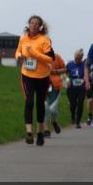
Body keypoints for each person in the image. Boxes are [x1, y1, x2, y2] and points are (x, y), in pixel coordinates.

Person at [16, 15, 55, 146]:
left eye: (36, 24)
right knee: (29, 102)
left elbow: (50, 59)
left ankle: (39, 132)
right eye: (31, 23)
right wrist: (20, 56)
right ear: (29, 24)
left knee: (40, 104)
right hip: (27, 75)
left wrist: (34, 54)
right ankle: (29, 133)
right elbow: (17, 52)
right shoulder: (23, 38)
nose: (33, 25)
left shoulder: (45, 40)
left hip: (42, 77)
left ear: (40, 26)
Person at [46, 50, 67, 134]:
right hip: (42, 85)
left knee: (52, 109)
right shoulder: (38, 56)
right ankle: (46, 129)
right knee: (44, 107)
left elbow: (65, 69)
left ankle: (54, 121)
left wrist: (56, 72)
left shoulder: (56, 57)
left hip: (55, 86)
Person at [65, 49, 87, 128]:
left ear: (81, 58)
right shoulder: (69, 65)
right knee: (72, 104)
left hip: (81, 88)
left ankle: (78, 122)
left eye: (79, 58)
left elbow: (87, 73)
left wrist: (85, 78)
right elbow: (65, 74)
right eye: (76, 58)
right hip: (71, 88)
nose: (77, 60)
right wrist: (67, 80)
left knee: (80, 104)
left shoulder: (84, 65)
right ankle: (73, 116)